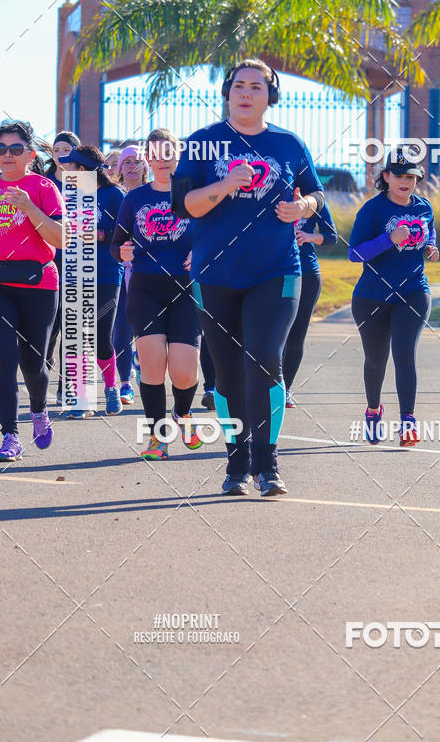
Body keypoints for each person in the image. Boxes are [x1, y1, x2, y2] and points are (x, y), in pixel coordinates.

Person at [172, 58, 325, 497]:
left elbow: (316, 192)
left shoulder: (288, 144)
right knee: (226, 372)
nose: (246, 93)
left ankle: (268, 465)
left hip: (276, 270)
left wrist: (304, 207)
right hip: (215, 273)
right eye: (239, 85)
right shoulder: (202, 142)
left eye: (257, 87)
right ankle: (236, 464)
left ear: (270, 96)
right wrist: (225, 185)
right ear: (227, 92)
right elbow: (183, 206)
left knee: (264, 359)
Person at [111, 129, 202, 460]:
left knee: (184, 372)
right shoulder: (134, 198)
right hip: (145, 288)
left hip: (186, 289)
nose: (163, 160)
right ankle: (157, 437)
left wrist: (200, 252)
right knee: (152, 367)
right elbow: (116, 244)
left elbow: (213, 236)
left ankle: (183, 412)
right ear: (147, 158)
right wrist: (121, 251)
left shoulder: (194, 195)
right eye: (155, 154)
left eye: (169, 153)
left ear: (179, 155)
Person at [348, 149, 439, 446]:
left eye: (411, 177)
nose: (405, 182)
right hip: (372, 297)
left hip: (414, 291)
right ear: (386, 177)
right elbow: (354, 253)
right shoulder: (372, 210)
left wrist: (431, 247)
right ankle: (373, 410)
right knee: (376, 360)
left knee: (404, 353)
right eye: (399, 176)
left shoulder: (424, 207)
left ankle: (408, 422)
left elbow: (430, 232)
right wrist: (389, 239)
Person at [0, 120, 65, 460]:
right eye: (1, 149)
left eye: (15, 149)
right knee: (3, 359)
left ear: (30, 154)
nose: (7, 155)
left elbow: (60, 238)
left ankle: (38, 409)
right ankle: (10, 435)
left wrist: (29, 208)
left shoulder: (43, 187)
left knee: (34, 364)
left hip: (38, 283)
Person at [57, 145, 125, 417]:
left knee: (100, 336)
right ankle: (81, 399)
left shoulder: (114, 195)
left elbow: (124, 232)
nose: (66, 170)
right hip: (74, 274)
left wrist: (96, 234)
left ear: (83, 170)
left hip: (106, 274)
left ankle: (111, 387)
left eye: (71, 166)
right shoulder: (68, 196)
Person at [283, 202, 338, 407]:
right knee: (273, 334)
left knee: (296, 335)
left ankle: (285, 389)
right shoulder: (270, 191)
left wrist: (308, 237)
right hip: (273, 273)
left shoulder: (315, 199)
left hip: (307, 273)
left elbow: (331, 236)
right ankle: (265, 386)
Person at [112, 143, 150, 404]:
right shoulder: (115, 196)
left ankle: (140, 357)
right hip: (119, 271)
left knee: (147, 328)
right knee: (121, 329)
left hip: (150, 272)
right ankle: (125, 383)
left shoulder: (157, 193)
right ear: (119, 169)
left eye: (137, 161)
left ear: (145, 167)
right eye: (127, 162)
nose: (132, 166)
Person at [45, 131, 80, 405]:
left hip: (78, 261)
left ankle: (66, 387)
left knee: (72, 327)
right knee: (48, 327)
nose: (60, 154)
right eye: (56, 150)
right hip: (48, 261)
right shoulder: (43, 183)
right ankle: (43, 369)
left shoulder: (85, 183)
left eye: (66, 149)